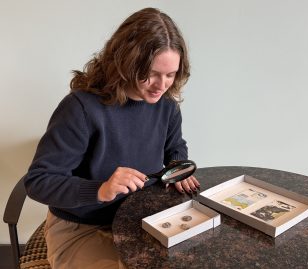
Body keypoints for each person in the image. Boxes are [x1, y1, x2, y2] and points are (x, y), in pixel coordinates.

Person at [24, 7, 199, 269]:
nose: (161, 85)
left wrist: (177, 166)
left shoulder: (167, 106)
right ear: (127, 63)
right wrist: (100, 189)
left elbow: (175, 147)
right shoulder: (81, 108)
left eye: (170, 74)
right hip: (81, 229)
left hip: (140, 219)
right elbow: (38, 181)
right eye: (150, 73)